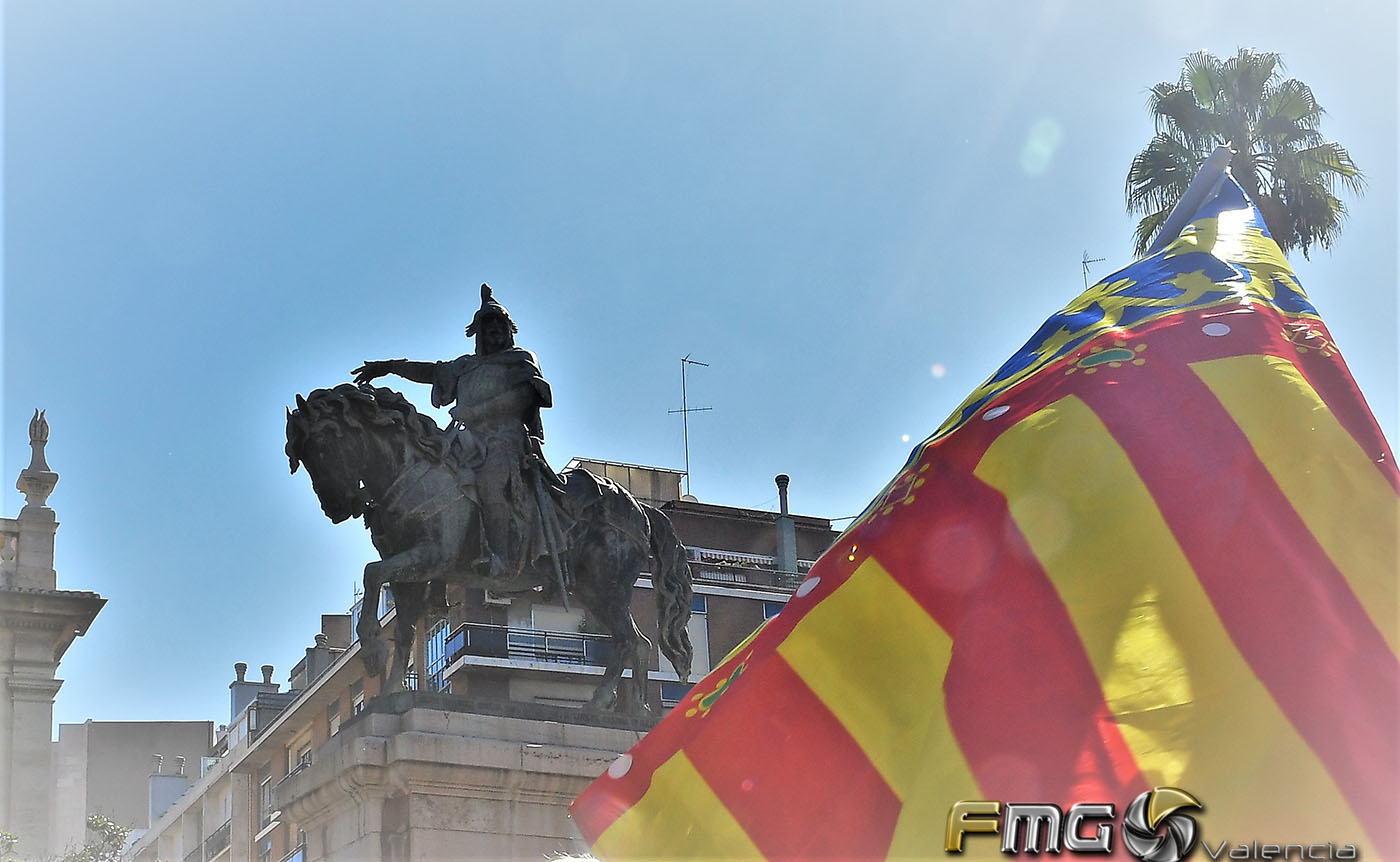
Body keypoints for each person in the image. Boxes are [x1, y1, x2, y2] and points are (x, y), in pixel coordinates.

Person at [353, 284, 561, 583]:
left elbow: (525, 396)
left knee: (490, 483)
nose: (495, 331)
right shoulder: (467, 365)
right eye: (488, 326)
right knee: (429, 476)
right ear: (478, 333)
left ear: (509, 329)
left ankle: (500, 557)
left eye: (500, 325)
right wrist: (388, 367)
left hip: (505, 440)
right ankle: (437, 552)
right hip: (464, 440)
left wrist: (476, 412)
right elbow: (429, 372)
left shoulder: (521, 358)